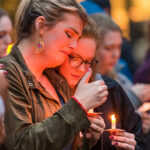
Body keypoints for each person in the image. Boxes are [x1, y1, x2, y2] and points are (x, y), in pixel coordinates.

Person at [0, 0, 108, 150]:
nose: (74, 46)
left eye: (77, 38)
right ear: (41, 26)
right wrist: (79, 105)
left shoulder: (56, 78)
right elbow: (20, 144)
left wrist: (89, 140)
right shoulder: (6, 73)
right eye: (69, 34)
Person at [90, 13, 149, 150]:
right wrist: (134, 97)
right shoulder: (87, 83)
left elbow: (136, 138)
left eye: (119, 47)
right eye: (109, 48)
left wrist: (140, 125)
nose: (116, 54)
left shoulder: (122, 76)